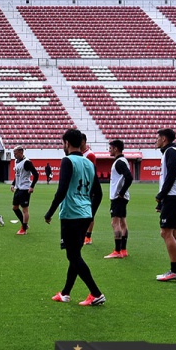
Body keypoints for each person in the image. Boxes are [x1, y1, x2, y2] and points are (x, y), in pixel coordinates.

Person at [44, 129, 105, 306]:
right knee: (75, 254)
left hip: (71, 214)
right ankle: (65, 293)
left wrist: (50, 212)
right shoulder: (89, 164)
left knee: (73, 255)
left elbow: (62, 190)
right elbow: (98, 194)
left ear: (67, 143)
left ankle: (96, 293)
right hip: (85, 214)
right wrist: (90, 213)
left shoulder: (67, 160)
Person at [155, 128, 176, 281]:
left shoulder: (171, 152)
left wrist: (161, 195)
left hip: (173, 197)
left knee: (166, 233)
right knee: (172, 234)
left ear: (164, 139)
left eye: (158, 138)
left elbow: (171, 174)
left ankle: (175, 270)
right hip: (175, 197)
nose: (156, 140)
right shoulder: (173, 151)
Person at [104, 140, 133, 259]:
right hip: (121, 197)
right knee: (122, 222)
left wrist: (121, 192)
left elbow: (129, 177)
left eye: (110, 148)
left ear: (116, 149)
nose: (109, 150)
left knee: (115, 223)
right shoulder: (123, 160)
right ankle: (123, 250)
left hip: (118, 198)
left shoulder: (119, 162)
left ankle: (117, 251)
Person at [10, 146, 38, 235]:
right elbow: (17, 174)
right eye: (14, 153)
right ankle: (24, 224)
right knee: (15, 208)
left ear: (21, 152)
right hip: (18, 188)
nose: (14, 155)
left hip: (25, 189)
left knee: (25, 210)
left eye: (16, 153)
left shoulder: (27, 162)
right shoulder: (16, 161)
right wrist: (13, 184)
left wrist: (32, 186)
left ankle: (24, 229)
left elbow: (36, 174)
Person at [81, 134, 98, 245]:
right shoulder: (81, 154)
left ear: (83, 142)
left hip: (89, 188)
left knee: (90, 213)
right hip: (82, 188)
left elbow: (92, 173)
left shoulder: (89, 155)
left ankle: (88, 236)